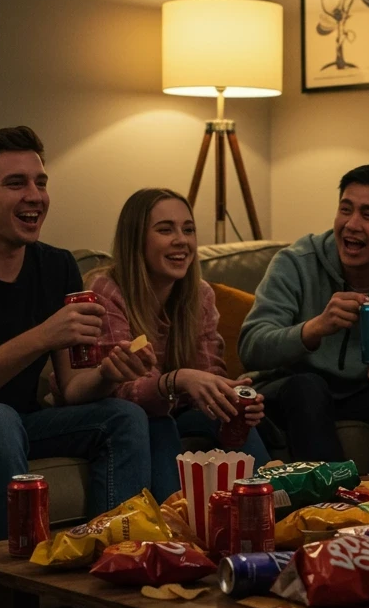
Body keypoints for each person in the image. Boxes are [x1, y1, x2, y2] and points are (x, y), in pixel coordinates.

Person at [0, 126, 153, 543]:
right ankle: (17, 589)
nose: (35, 196)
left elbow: (74, 385)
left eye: (40, 182)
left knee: (124, 416)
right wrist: (41, 336)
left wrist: (110, 374)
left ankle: (115, 566)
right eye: (15, 183)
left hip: (19, 421)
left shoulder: (56, 266)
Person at [238, 164, 369, 474]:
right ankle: (332, 499)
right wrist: (314, 329)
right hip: (289, 392)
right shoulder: (295, 263)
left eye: (368, 215)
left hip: (364, 392)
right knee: (307, 385)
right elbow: (251, 347)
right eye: (346, 209)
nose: (352, 224)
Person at [84, 188, 270, 500]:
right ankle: (175, 531)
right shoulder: (106, 289)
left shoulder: (199, 294)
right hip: (116, 414)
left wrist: (232, 400)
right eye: (165, 229)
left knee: (230, 417)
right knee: (158, 424)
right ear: (136, 239)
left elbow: (210, 373)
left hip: (177, 410)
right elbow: (123, 390)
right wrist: (177, 379)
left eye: (188, 229)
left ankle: (273, 512)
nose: (181, 240)